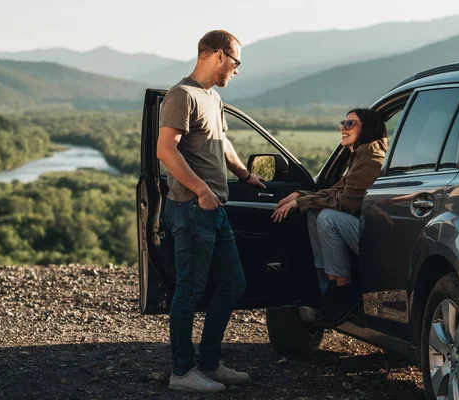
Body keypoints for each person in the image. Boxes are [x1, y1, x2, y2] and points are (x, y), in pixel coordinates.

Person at [157, 30, 266, 393]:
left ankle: (209, 363)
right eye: (236, 62)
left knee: (233, 284)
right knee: (189, 290)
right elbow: (166, 151)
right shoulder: (181, 95)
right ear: (218, 55)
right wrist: (202, 190)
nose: (236, 70)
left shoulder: (212, 98)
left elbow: (222, 143)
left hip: (213, 207)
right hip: (191, 208)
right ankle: (182, 372)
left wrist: (245, 174)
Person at [271, 108, 388, 326]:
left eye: (351, 124)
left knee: (328, 218)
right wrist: (301, 196)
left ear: (368, 128)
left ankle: (345, 293)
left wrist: (301, 202)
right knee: (314, 215)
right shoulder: (360, 156)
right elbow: (336, 190)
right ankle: (328, 290)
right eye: (343, 123)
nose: (343, 127)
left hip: (379, 236)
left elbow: (346, 202)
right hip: (367, 229)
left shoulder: (371, 158)